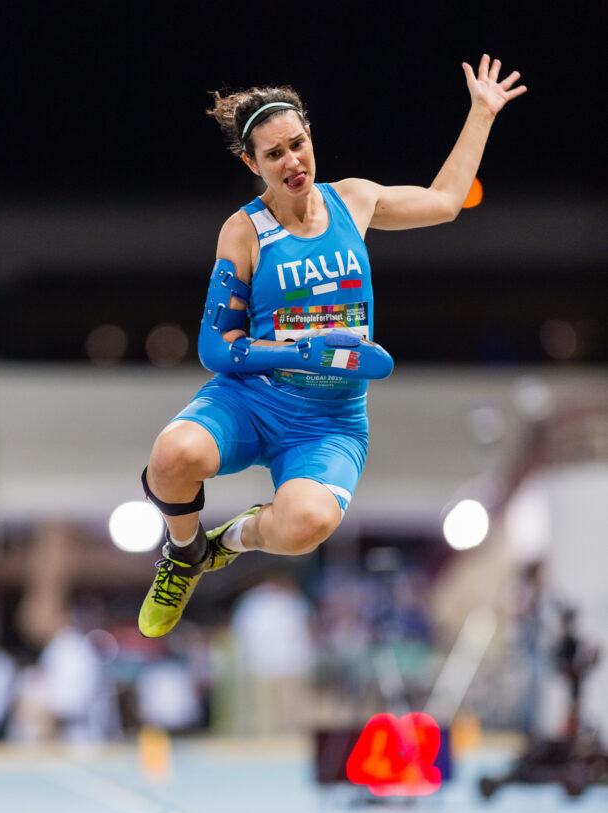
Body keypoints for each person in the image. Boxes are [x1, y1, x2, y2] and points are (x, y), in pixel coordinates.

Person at [139, 55, 526, 639]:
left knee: (305, 526)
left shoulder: (355, 201)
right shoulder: (244, 231)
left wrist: (481, 113)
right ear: (252, 163)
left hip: (329, 421)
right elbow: (216, 348)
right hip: (253, 399)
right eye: (274, 154)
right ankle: (183, 552)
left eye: (297, 144)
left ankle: (225, 543)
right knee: (172, 457)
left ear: (310, 136)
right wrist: (299, 352)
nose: (292, 162)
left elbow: (446, 202)